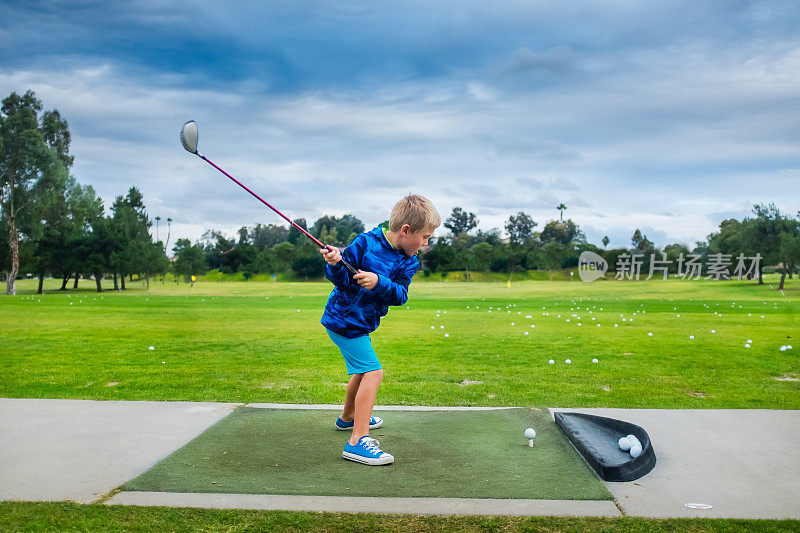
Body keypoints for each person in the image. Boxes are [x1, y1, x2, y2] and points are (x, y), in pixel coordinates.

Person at [319, 194, 440, 465]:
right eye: (424, 238)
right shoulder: (365, 243)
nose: (425, 245)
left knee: (363, 371)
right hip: (343, 321)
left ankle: (348, 417)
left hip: (361, 323)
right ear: (406, 231)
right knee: (373, 371)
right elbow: (341, 281)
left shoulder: (408, 261)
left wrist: (378, 282)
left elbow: (399, 295)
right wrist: (335, 263)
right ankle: (357, 440)